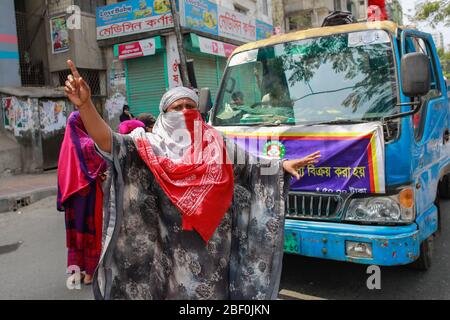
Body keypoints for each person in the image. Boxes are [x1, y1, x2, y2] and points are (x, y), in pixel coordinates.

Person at [63, 60, 320, 300]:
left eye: (190, 107)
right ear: (164, 114)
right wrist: (85, 105)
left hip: (216, 254)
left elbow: (252, 166)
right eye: (177, 108)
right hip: (172, 254)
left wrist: (282, 166)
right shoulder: (149, 146)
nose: (185, 112)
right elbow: (109, 142)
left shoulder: (217, 143)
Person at [57, 111, 107, 286]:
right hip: (90, 195)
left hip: (71, 198)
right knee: (91, 231)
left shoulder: (65, 146)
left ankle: (76, 272)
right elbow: (103, 162)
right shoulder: (88, 144)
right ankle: (90, 274)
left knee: (75, 233)